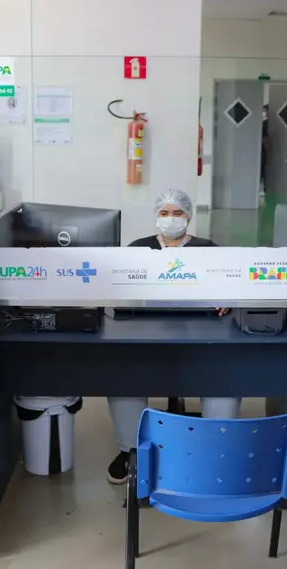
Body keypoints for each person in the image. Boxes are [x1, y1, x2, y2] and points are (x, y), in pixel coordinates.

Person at [107, 188, 239, 484]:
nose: (171, 219)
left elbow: (230, 284)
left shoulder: (209, 250)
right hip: (145, 330)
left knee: (225, 373)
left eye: (178, 213)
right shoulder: (138, 249)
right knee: (121, 372)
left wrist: (226, 297)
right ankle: (131, 450)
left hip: (202, 332)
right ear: (156, 216)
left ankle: (216, 451)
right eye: (164, 213)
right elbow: (120, 287)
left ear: (188, 216)